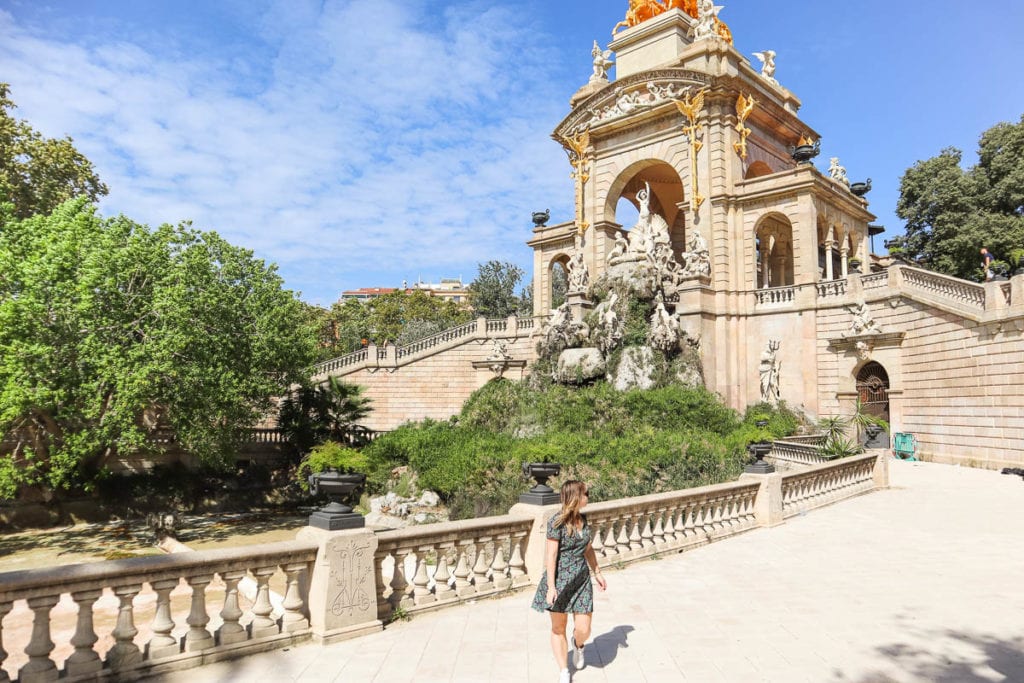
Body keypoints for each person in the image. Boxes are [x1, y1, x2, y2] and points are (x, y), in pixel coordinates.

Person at [531, 480, 608, 683]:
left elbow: (588, 549)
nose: (588, 497)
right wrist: (551, 587)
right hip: (560, 580)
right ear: (576, 497)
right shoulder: (556, 522)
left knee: (584, 628)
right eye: (586, 493)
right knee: (558, 627)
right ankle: (564, 670)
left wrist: (597, 572)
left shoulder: (583, 519)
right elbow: (551, 555)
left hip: (581, 579)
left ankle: (578, 644)